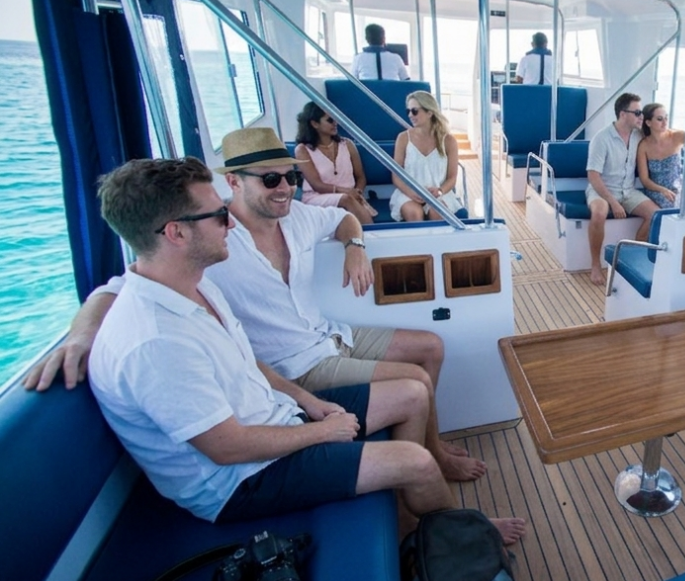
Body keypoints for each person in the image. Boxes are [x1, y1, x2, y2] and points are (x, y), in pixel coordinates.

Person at [85, 157, 524, 542]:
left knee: (412, 391)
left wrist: (310, 404)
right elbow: (228, 449)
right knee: (414, 462)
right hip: (242, 479)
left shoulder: (194, 287)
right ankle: (460, 536)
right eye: (218, 215)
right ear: (176, 233)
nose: (230, 223)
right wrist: (321, 431)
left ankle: (411, 521)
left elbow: (247, 360)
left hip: (276, 411)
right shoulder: (155, 342)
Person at [29, 127, 485, 483]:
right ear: (233, 182)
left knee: (429, 346)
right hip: (296, 366)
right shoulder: (207, 242)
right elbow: (116, 289)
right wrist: (82, 334)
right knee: (416, 382)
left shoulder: (300, 215)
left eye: (289, 176)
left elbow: (345, 216)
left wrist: (355, 246)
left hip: (330, 335)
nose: (285, 186)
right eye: (271, 179)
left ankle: (434, 450)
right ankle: (423, 470)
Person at [585, 93, 661, 286]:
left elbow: (663, 134)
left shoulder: (638, 135)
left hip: (628, 190)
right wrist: (612, 202)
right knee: (599, 213)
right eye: (637, 113)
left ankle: (635, 255)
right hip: (601, 189)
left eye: (641, 113)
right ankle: (595, 265)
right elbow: (593, 175)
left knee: (656, 215)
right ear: (622, 114)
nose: (641, 117)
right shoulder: (601, 138)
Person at [292, 102, 377, 225]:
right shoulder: (302, 150)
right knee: (346, 199)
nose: (335, 123)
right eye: (330, 120)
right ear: (314, 124)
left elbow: (360, 176)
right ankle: (372, 233)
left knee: (348, 201)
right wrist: (347, 192)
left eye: (336, 118)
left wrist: (357, 192)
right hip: (318, 197)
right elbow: (316, 185)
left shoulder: (348, 144)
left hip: (351, 197)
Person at [389, 91, 465, 222]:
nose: (410, 115)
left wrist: (440, 191)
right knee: (414, 214)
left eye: (414, 111)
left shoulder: (448, 141)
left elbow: (452, 177)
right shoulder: (403, 138)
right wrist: (410, 192)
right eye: (408, 111)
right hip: (408, 193)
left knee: (437, 212)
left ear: (430, 113)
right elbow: (396, 175)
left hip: (439, 194)